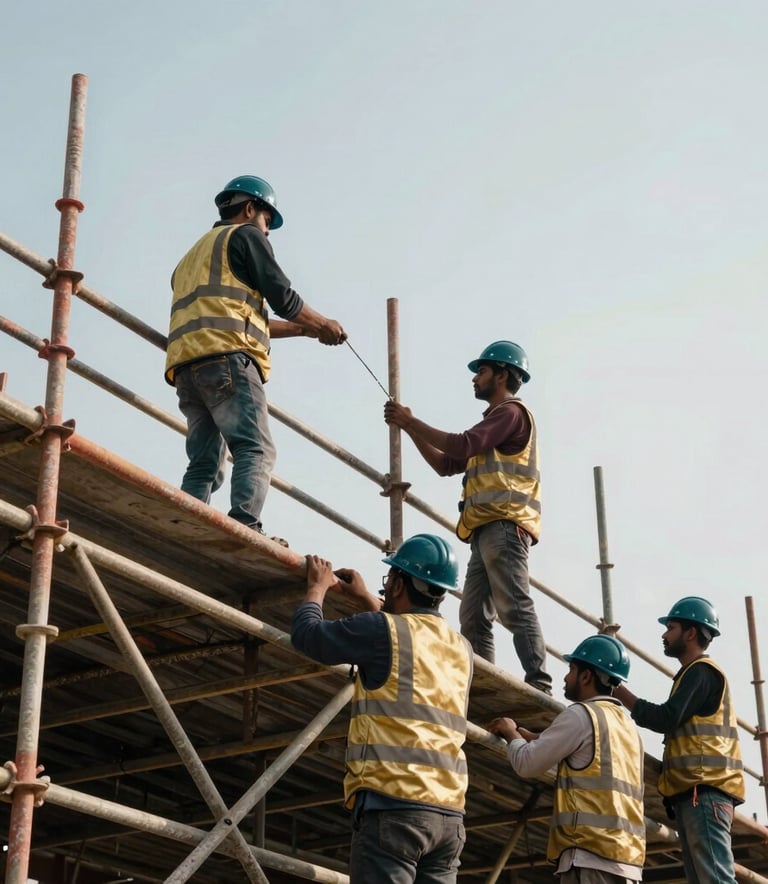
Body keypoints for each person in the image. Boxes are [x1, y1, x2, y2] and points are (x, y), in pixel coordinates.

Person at [165, 175, 346, 539]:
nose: (268, 232)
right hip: (228, 362)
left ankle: (185, 523)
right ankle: (244, 526)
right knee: (255, 448)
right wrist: (322, 322)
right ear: (250, 209)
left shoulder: (192, 257)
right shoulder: (246, 236)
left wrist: (302, 329)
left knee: (205, 462)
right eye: (267, 220)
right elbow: (283, 297)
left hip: (188, 368)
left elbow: (242, 313)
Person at [290, 534, 474, 884]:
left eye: (390, 581)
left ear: (400, 584)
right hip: (449, 817)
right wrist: (365, 598)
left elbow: (308, 636)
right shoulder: (460, 648)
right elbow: (405, 643)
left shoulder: (381, 630)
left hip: (394, 807)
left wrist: (317, 588)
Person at [383, 340, 551, 693]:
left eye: (483, 371)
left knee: (513, 606)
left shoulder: (511, 414)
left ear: (503, 375)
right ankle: (482, 681)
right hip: (485, 529)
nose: (475, 378)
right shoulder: (492, 424)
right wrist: (410, 427)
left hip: (505, 524)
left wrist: (411, 421)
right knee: (473, 615)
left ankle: (539, 681)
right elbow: (447, 464)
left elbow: (458, 446)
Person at [491, 635, 645, 883]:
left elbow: (527, 764)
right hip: (626, 861)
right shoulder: (626, 727)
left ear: (586, 676)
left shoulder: (582, 714)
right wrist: (537, 737)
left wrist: (510, 733)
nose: (565, 677)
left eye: (572, 669)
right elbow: (590, 758)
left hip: (589, 854)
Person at [613, 596, 745, 884]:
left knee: (715, 879)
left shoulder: (702, 672)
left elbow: (665, 718)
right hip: (697, 793)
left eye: (671, 627)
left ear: (691, 633)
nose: (664, 634)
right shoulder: (690, 675)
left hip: (706, 791)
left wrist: (618, 692)